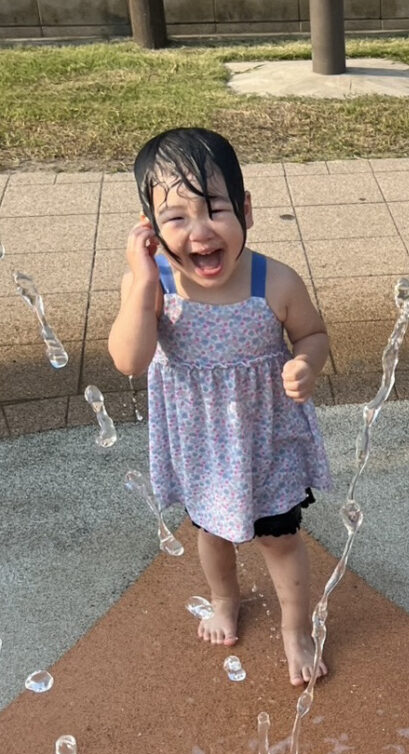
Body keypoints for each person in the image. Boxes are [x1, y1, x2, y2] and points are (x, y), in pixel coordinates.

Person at [108, 127, 332, 686]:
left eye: (215, 209)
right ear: (149, 228)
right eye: (176, 217)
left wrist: (306, 364)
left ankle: (296, 629)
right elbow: (130, 360)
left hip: (268, 437)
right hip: (202, 444)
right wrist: (142, 280)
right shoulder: (153, 285)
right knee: (211, 532)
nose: (201, 231)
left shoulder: (274, 281)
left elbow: (312, 334)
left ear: (246, 210)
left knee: (281, 537)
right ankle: (225, 599)